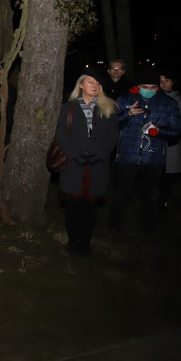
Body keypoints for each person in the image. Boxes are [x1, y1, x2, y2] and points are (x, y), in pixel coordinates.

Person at [106, 66, 181, 241]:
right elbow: (111, 123)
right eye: (144, 87)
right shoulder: (125, 99)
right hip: (127, 155)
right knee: (121, 194)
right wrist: (127, 114)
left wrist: (158, 131)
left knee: (150, 196)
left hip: (154, 158)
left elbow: (176, 132)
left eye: (152, 87)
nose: (148, 91)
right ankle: (113, 226)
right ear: (138, 86)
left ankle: (149, 231)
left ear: (158, 87)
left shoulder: (168, 104)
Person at [54, 69, 119, 255]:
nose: (95, 86)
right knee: (73, 206)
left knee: (91, 207)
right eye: (91, 82)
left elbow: (113, 136)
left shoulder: (109, 107)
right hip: (74, 165)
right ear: (81, 85)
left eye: (97, 83)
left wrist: (98, 155)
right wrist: (75, 154)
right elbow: (61, 135)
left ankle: (86, 242)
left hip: (97, 165)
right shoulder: (68, 108)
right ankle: (73, 241)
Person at [158, 70, 181, 210]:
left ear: (173, 81)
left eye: (166, 81)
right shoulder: (157, 98)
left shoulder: (178, 99)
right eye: (161, 81)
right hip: (157, 139)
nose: (164, 84)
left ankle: (163, 199)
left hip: (172, 142)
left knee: (168, 173)